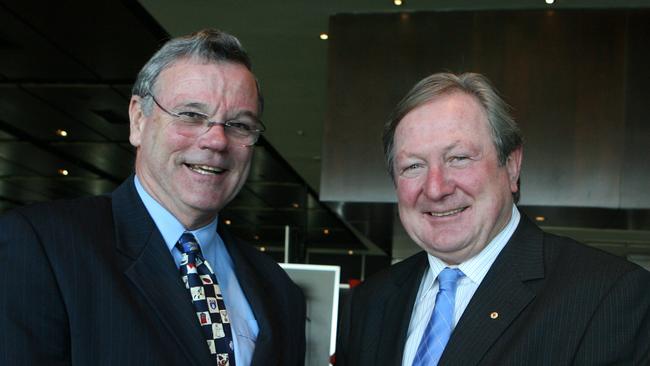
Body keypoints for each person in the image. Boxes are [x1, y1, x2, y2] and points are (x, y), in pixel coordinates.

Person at [0, 29, 305, 366]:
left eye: (239, 124)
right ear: (138, 119)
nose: (217, 141)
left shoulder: (280, 290)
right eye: (191, 115)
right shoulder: (43, 247)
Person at [336, 72, 650, 365]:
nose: (435, 188)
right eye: (413, 166)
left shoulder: (609, 296)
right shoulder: (369, 303)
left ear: (512, 165)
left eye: (458, 158)